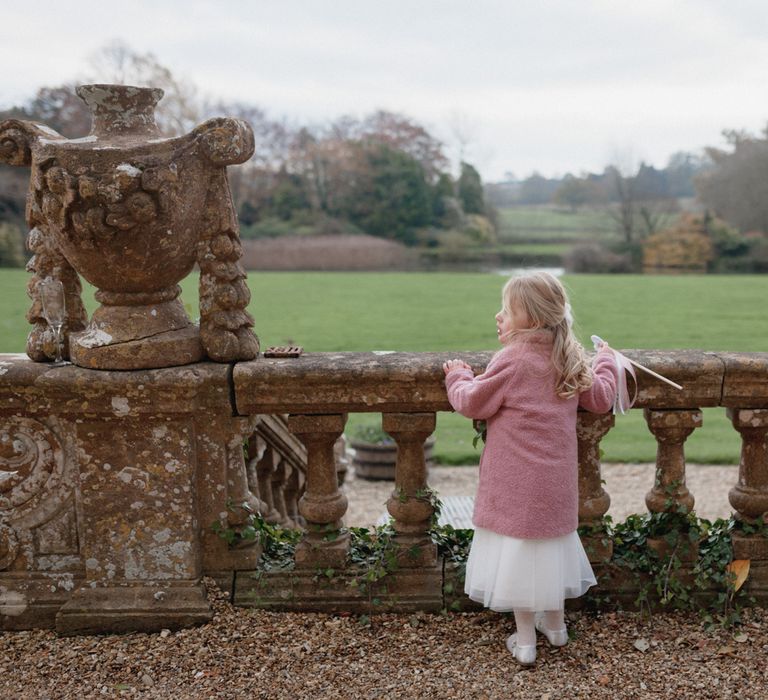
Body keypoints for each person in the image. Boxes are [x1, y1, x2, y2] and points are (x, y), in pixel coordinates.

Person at [442, 271, 618, 666]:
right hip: (555, 485)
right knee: (550, 553)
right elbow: (602, 398)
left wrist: (457, 375)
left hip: (515, 485)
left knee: (520, 559)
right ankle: (556, 628)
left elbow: (472, 402)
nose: (499, 316)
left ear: (533, 320)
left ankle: (525, 642)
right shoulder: (568, 356)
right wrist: (606, 358)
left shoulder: (512, 359)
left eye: (507, 311)